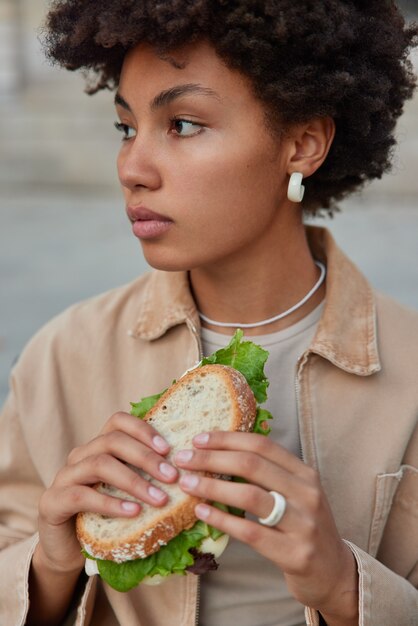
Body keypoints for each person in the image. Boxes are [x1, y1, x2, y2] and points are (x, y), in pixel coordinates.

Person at [1, 1, 418, 624]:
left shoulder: (411, 368)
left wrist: (342, 584)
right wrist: (51, 563)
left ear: (302, 144)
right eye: (126, 127)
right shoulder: (62, 355)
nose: (132, 168)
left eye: (185, 124)